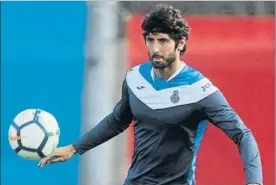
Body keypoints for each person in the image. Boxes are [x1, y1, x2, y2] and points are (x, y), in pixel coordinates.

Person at [38, 4, 263, 185]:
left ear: (180, 43)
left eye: (163, 41)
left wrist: (254, 182)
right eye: (150, 39)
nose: (155, 49)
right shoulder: (135, 78)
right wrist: (75, 148)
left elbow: (243, 135)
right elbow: (118, 120)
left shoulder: (200, 90)